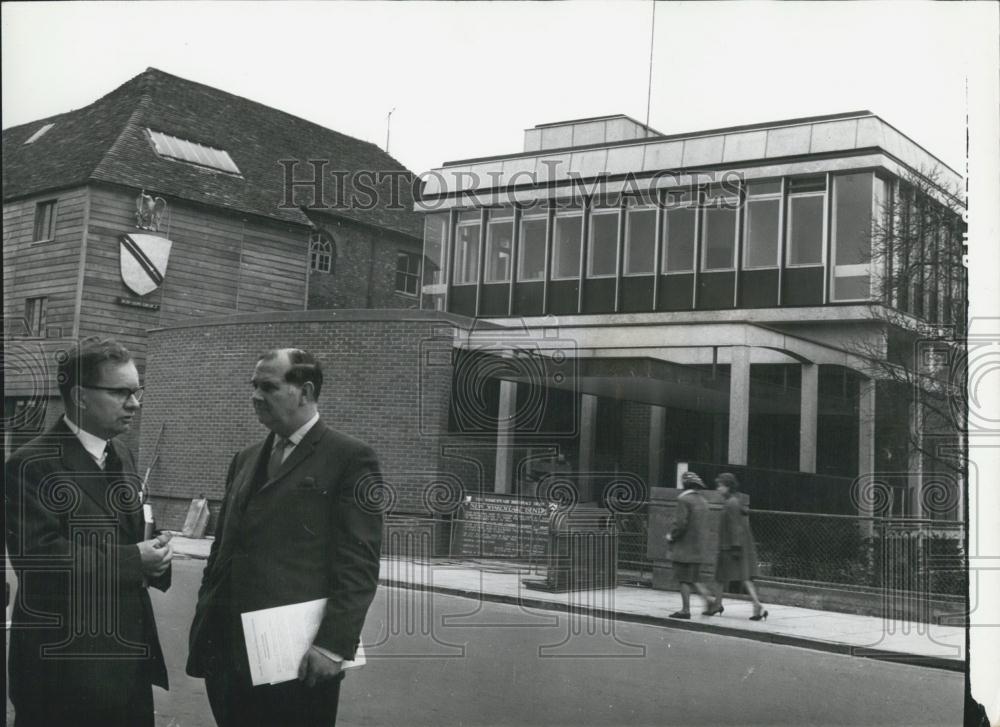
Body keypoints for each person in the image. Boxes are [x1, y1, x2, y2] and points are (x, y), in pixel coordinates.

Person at [187, 348, 384, 727]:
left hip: (294, 658)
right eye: (253, 386)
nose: (256, 396)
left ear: (305, 391)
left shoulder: (351, 458)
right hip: (227, 651)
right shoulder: (245, 459)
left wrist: (332, 646)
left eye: (268, 387)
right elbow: (223, 547)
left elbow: (358, 565)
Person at [5, 337, 173, 726]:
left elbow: (127, 530)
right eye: (122, 392)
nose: (135, 403)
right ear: (80, 396)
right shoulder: (30, 465)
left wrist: (157, 552)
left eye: (137, 391)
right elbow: (41, 559)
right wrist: (136, 558)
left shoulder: (123, 455)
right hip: (63, 675)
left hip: (128, 667)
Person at [707, 472, 768, 621]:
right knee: (726, 577)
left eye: (720, 485)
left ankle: (756, 605)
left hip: (731, 547)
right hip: (731, 546)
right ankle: (719, 604)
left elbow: (735, 527)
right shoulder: (734, 501)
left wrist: (735, 547)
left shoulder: (731, 503)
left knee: (741, 577)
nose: (718, 489)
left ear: (727, 486)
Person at [665, 471, 714, 619]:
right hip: (698, 547)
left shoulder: (684, 500)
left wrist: (671, 536)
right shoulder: (704, 502)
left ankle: (685, 610)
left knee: (684, 580)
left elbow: (680, 524)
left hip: (684, 547)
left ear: (685, 484)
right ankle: (709, 601)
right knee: (693, 578)